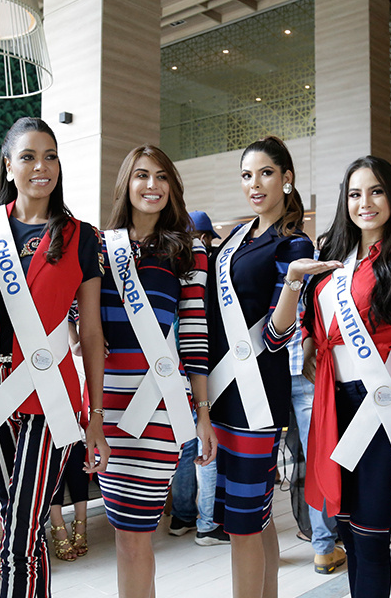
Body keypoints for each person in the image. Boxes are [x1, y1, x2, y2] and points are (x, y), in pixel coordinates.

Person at [0, 117, 109, 593]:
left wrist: (94, 415)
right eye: (30, 156)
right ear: (8, 164)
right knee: (18, 522)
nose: (42, 167)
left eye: (51, 156)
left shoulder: (82, 236)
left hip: (50, 395)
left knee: (19, 529)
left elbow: (92, 332)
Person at [207, 136, 340, 598]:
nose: (255, 184)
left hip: (257, 395)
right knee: (253, 516)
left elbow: (278, 335)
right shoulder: (238, 239)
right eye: (247, 175)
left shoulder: (293, 242)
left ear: (287, 179)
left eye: (265, 173)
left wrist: (291, 282)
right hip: (223, 393)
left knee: (245, 522)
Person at [301, 155, 391, 598]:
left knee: (372, 535)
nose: (365, 203)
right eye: (355, 194)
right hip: (330, 404)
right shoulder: (333, 258)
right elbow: (312, 325)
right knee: (346, 531)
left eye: (376, 191)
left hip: (379, 406)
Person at [97, 145, 217, 598]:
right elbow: (77, 313)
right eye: (142, 175)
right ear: (126, 184)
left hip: (160, 404)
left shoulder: (188, 251)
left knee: (140, 530)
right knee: (122, 534)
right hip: (106, 404)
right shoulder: (99, 247)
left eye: (162, 177)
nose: (152, 185)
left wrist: (202, 413)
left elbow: (194, 334)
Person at [169, 209, 227, 546]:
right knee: (206, 447)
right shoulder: (201, 277)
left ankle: (182, 517)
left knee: (186, 447)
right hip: (197, 370)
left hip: (171, 373)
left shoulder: (167, 270)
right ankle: (207, 524)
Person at [287, 302, 343, 573]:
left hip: (267, 369)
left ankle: (261, 549)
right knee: (318, 460)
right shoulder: (320, 264)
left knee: (261, 461)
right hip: (310, 367)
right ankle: (324, 548)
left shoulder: (263, 260)